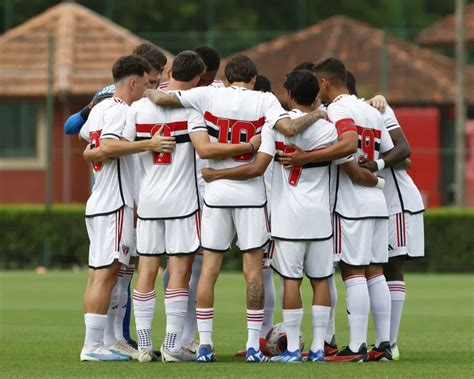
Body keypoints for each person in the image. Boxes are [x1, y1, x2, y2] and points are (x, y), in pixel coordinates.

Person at [145, 54, 327, 363]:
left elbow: (162, 98)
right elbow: (290, 127)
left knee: (209, 270)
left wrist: (146, 90)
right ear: (254, 79)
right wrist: (318, 114)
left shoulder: (208, 94)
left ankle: (204, 345)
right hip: (251, 196)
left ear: (227, 78)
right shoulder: (265, 100)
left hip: (215, 195)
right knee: (254, 272)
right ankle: (253, 345)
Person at [201, 70, 337, 363]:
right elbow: (346, 154)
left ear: (288, 95)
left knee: (291, 281)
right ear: (316, 95)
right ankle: (317, 348)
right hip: (320, 218)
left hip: (288, 218)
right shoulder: (330, 129)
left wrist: (216, 174)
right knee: (321, 281)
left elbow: (258, 166)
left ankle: (290, 352)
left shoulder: (273, 128)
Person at [66, 42, 167, 353]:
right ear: (136, 81)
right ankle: (94, 345)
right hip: (115, 203)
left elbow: (87, 143)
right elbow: (107, 147)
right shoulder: (121, 110)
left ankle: (108, 340)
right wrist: (148, 144)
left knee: (105, 275)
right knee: (107, 276)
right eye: (150, 81)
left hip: (99, 201)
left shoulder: (99, 109)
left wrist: (94, 152)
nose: (153, 87)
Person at [304, 58, 393, 363]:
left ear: (325, 83)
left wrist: (307, 156)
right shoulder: (372, 110)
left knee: (352, 271)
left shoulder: (337, 110)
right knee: (376, 271)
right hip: (376, 203)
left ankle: (356, 346)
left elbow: (347, 153)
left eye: (318, 85)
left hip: (351, 203)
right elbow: (389, 151)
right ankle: (384, 344)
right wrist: (378, 179)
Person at [120, 51, 206, 363]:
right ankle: (171, 346)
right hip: (183, 203)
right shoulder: (194, 107)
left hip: (150, 202)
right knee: (179, 273)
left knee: (146, 270)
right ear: (197, 79)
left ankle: (144, 345)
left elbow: (121, 146)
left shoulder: (138, 107)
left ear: (168, 70)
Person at [361, 100, 425, 361]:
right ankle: (373, 342)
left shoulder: (378, 108)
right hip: (370, 204)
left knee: (391, 266)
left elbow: (403, 152)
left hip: (395, 203)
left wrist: (378, 164)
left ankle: (390, 343)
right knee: (366, 269)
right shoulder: (333, 114)